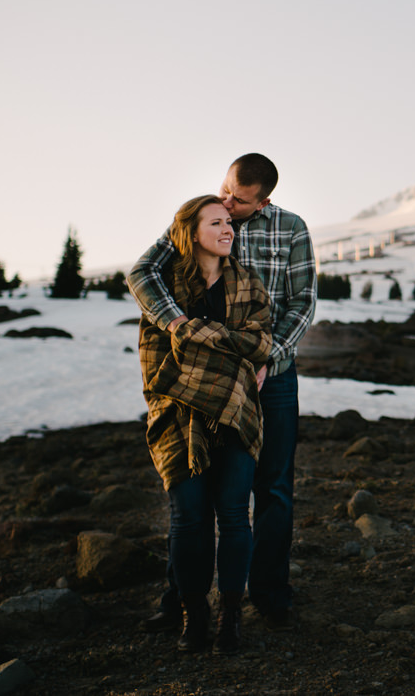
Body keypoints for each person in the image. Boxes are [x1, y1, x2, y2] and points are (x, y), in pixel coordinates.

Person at [129, 153, 317, 633]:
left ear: (265, 201)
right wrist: (175, 323)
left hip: (270, 376)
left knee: (272, 487)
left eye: (239, 200)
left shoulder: (291, 229)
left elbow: (302, 302)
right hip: (205, 374)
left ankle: (269, 593)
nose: (228, 205)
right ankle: (182, 599)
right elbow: (144, 272)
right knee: (194, 480)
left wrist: (267, 358)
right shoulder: (202, 217)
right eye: (225, 191)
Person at [136, 195, 273, 655]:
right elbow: (162, 355)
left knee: (235, 515)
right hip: (178, 414)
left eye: (229, 223)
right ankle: (194, 616)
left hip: (236, 410)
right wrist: (229, 348)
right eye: (216, 223)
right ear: (191, 232)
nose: (228, 229)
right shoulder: (166, 289)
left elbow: (261, 343)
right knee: (189, 517)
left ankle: (230, 617)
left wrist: (195, 334)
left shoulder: (249, 283)